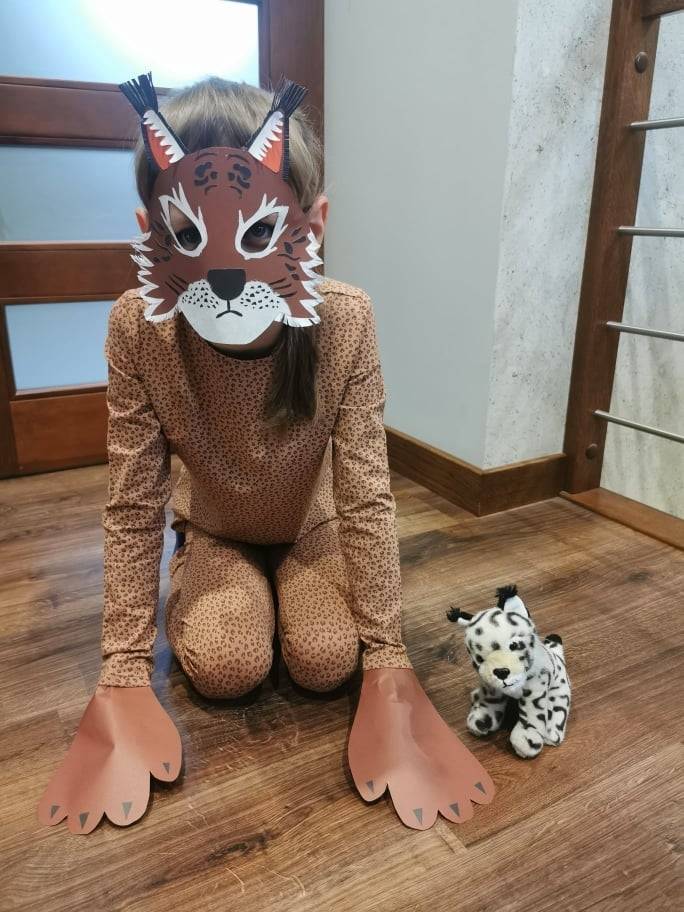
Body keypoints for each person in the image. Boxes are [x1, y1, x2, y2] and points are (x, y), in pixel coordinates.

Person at [38, 73, 494, 835]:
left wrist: (388, 656)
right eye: (188, 235)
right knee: (226, 667)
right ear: (149, 229)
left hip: (312, 525)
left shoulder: (345, 322)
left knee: (327, 660)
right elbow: (133, 498)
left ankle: (299, 597)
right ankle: (233, 582)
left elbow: (366, 490)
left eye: (254, 233)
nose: (223, 274)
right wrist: (122, 665)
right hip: (217, 527)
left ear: (313, 225)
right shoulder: (139, 330)